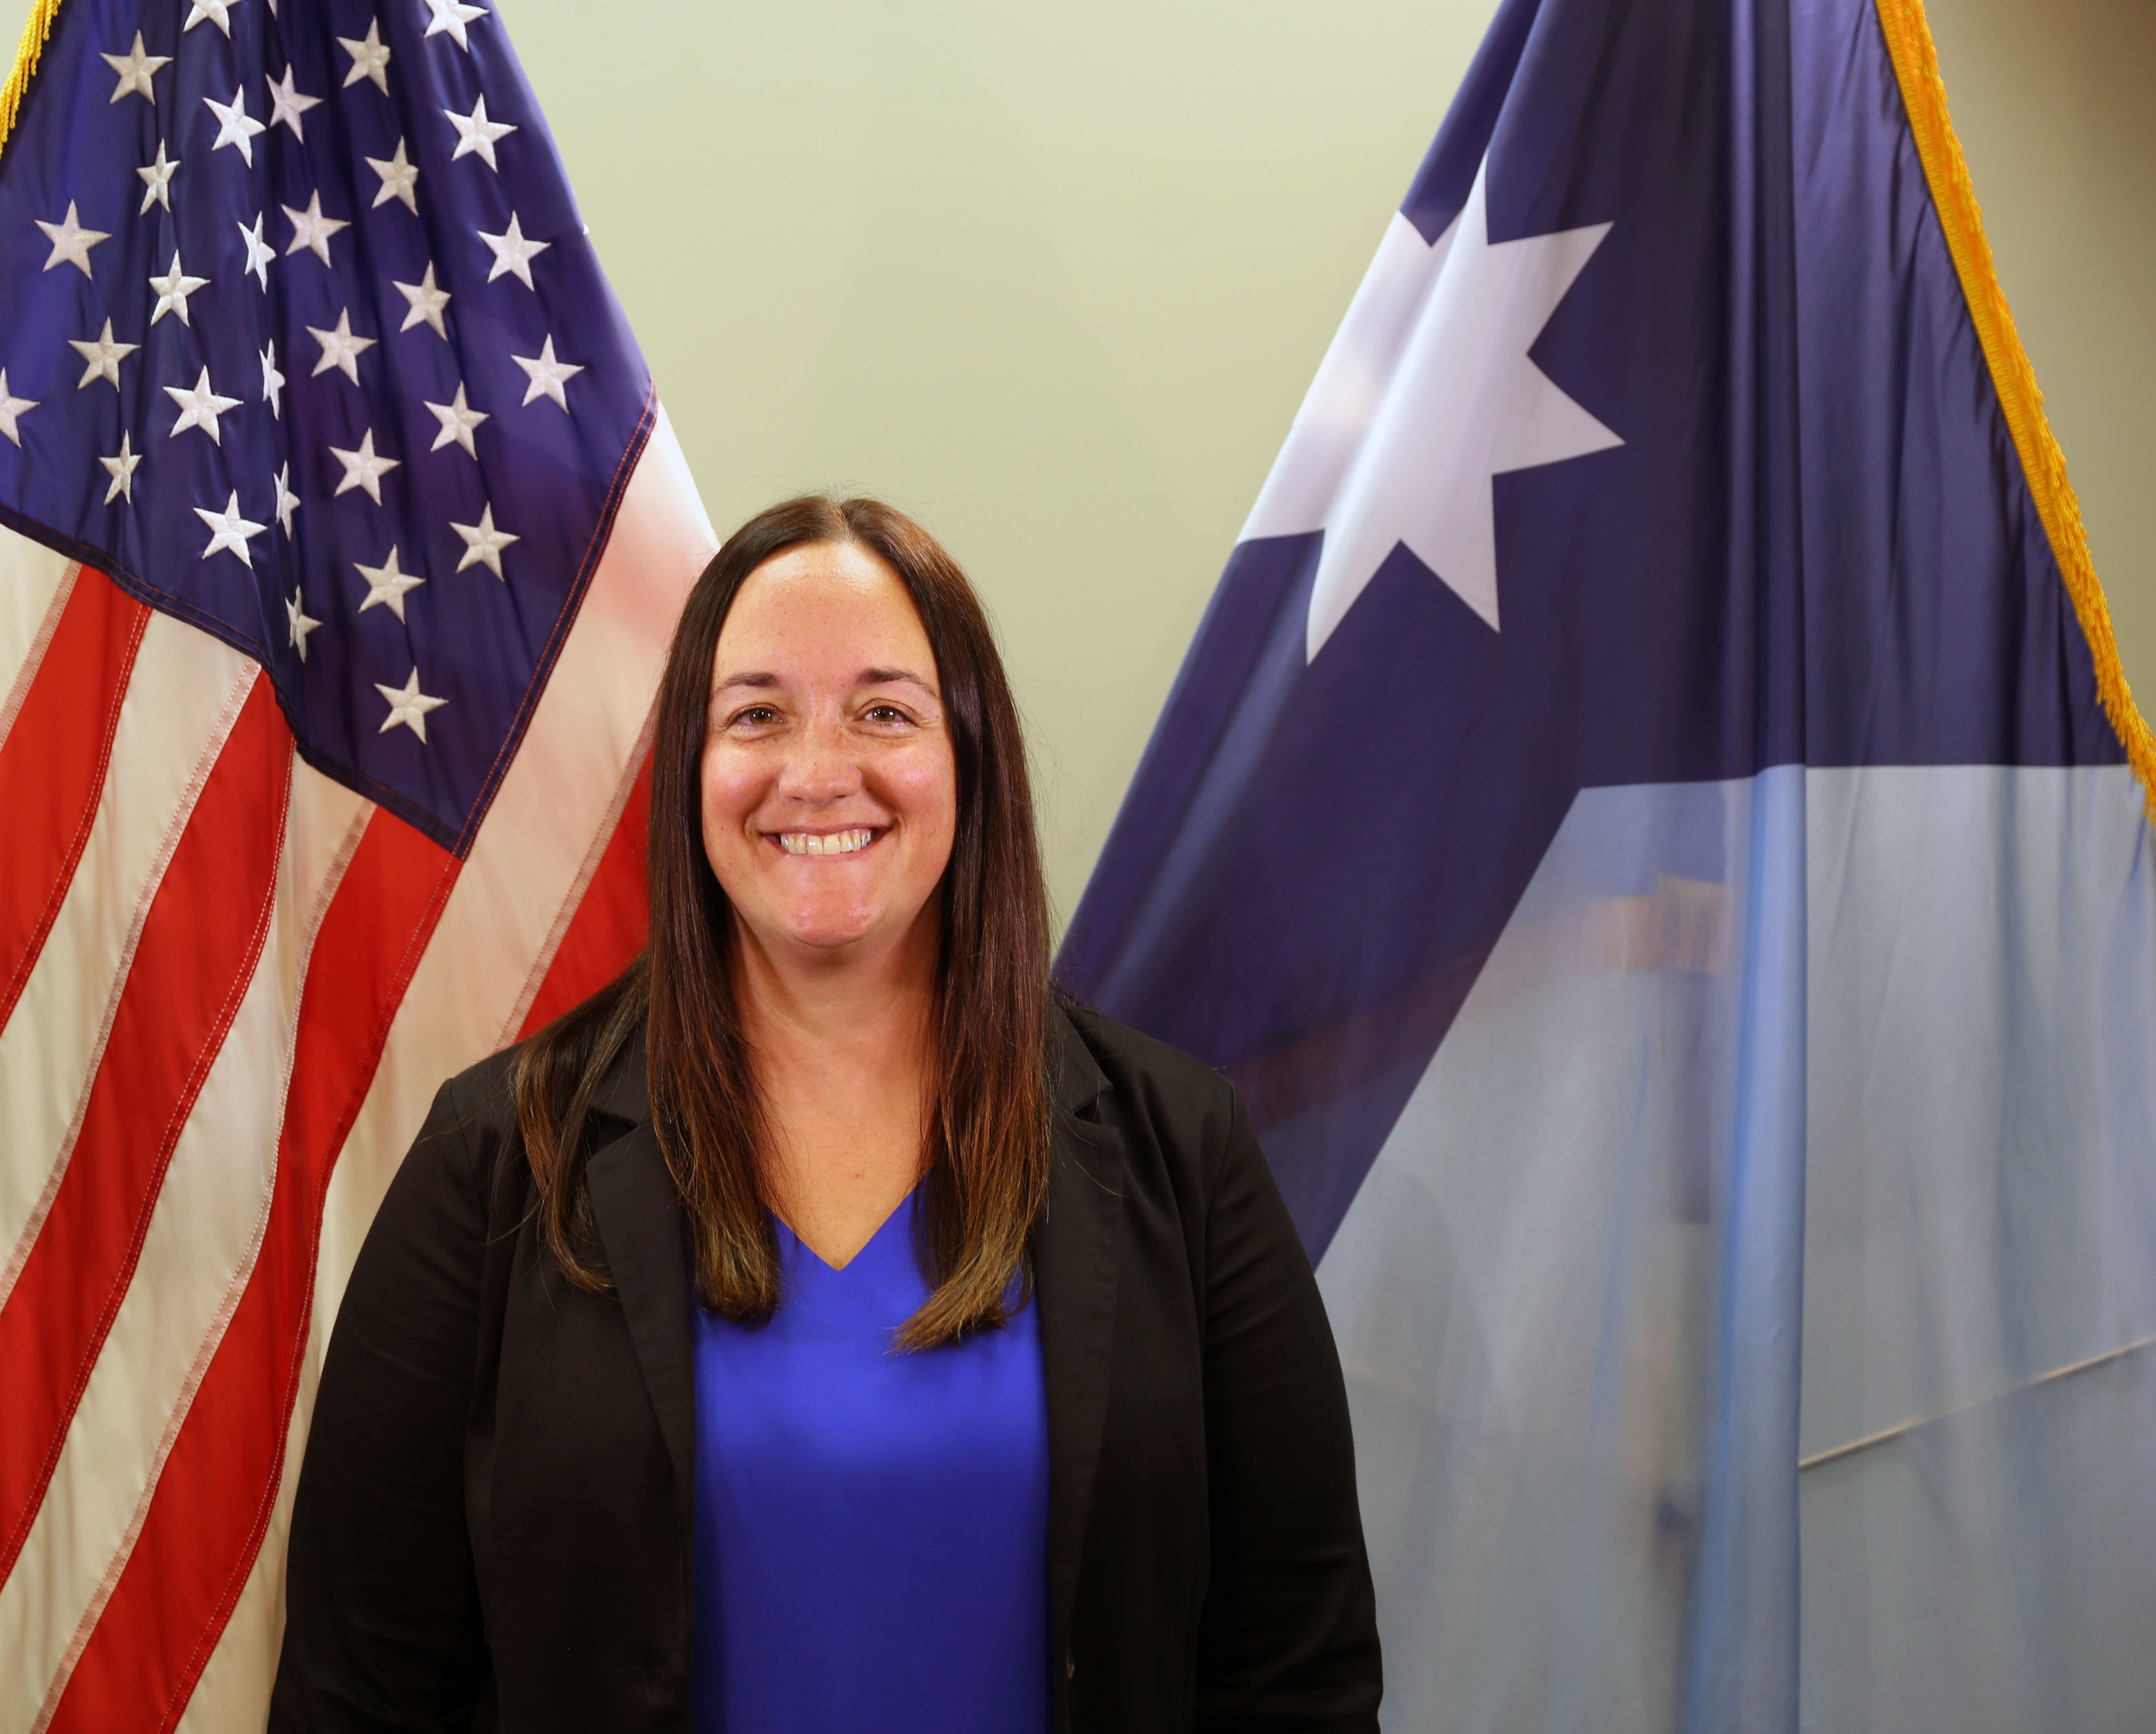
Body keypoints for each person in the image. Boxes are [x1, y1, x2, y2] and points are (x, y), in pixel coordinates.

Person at [267, 495, 1382, 1733]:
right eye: (756, 715)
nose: (815, 773)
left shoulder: (1187, 1151)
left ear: (970, 754)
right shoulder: (500, 1161)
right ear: (692, 766)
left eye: (884, 712)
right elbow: (354, 1696)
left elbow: (1301, 1678)